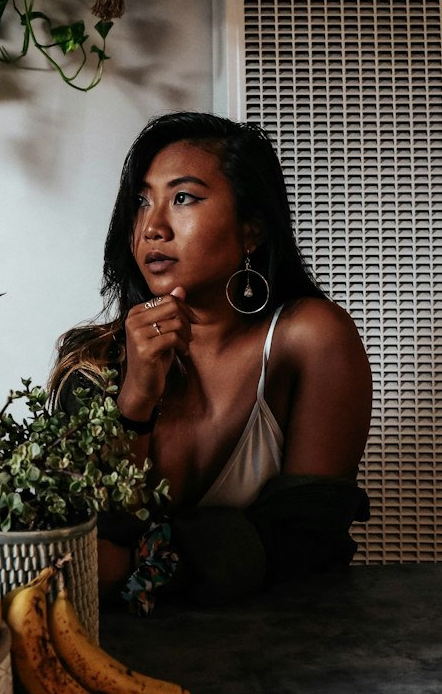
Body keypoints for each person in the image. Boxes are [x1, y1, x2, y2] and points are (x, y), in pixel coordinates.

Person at [50, 112, 372, 612]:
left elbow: (310, 541)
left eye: (183, 198)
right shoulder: (90, 363)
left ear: (251, 229)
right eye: (142, 201)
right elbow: (91, 534)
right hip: (115, 649)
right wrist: (135, 398)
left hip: (282, 651)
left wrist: (133, 567)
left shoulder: (309, 339)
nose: (153, 227)